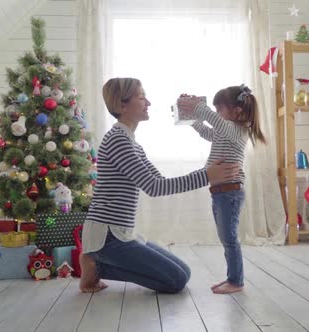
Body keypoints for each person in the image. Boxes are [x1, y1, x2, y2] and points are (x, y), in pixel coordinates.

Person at [79, 77, 240, 293]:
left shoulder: (132, 142)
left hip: (121, 232)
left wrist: (207, 173)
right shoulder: (118, 140)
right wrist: (207, 175)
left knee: (184, 272)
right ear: (122, 105)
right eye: (142, 97)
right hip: (106, 237)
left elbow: (160, 183)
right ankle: (96, 266)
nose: (149, 103)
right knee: (176, 281)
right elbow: (154, 188)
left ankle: (100, 264)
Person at [177, 84, 266, 294]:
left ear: (236, 111)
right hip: (220, 192)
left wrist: (198, 106)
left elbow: (218, 124)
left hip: (230, 192)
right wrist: (191, 116)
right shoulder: (225, 131)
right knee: (226, 238)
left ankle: (236, 281)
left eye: (220, 109)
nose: (216, 114)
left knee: (230, 239)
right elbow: (207, 132)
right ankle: (232, 277)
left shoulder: (237, 130)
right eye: (215, 110)